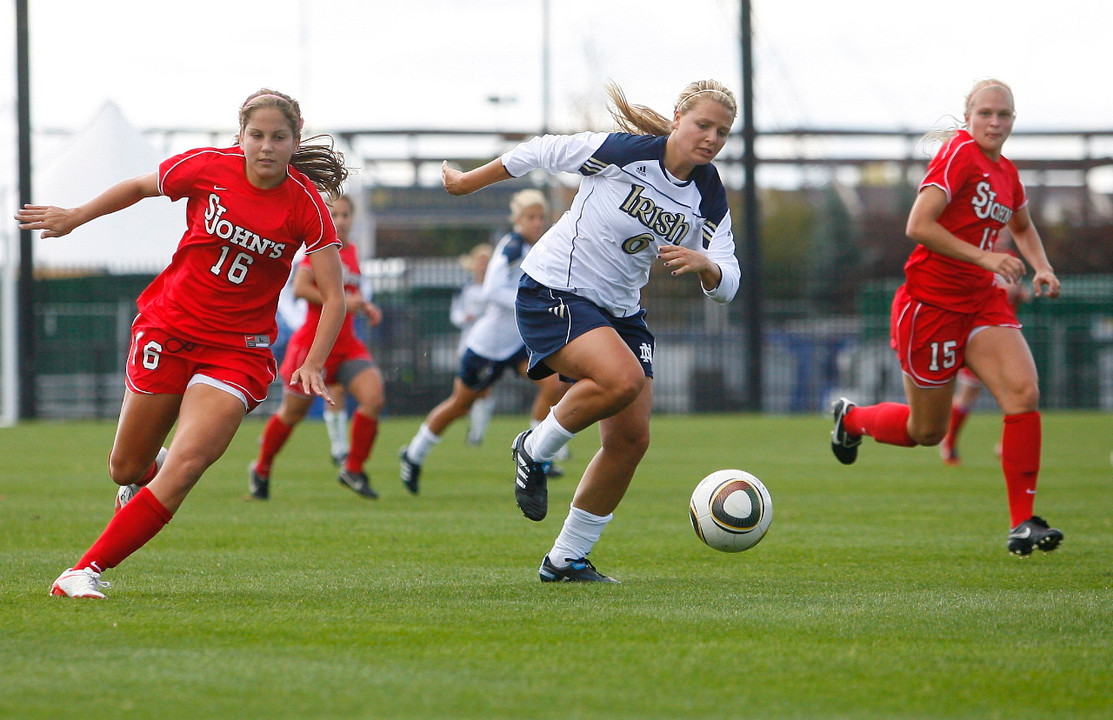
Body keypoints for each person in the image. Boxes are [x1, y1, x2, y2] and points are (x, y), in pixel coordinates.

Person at [18, 89, 348, 598]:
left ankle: (81, 571)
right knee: (126, 467)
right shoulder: (206, 167)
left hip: (237, 350)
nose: (266, 146)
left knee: (188, 465)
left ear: (294, 139)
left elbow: (334, 297)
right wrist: (74, 217)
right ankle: (142, 476)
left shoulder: (306, 204)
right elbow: (136, 186)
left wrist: (315, 363)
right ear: (240, 136)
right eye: (256, 135)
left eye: (278, 137)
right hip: (169, 328)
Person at [440, 79, 741, 582]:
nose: (711, 137)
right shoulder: (622, 153)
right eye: (702, 124)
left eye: (722, 132)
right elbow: (541, 151)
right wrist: (467, 182)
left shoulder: (709, 194)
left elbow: (729, 279)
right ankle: (533, 448)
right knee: (620, 381)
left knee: (630, 439)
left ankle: (566, 559)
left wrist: (706, 265)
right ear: (677, 118)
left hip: (619, 312)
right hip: (554, 289)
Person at [829, 79, 1064, 557]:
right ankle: (851, 420)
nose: (994, 123)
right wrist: (986, 259)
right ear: (968, 116)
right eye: (985, 114)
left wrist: (1041, 265)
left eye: (1003, 115)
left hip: (980, 303)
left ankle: (1024, 522)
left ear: (1013, 121)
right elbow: (918, 225)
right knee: (925, 432)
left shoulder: (1007, 173)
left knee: (1023, 392)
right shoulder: (959, 154)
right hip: (930, 306)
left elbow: (1021, 223)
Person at [398, 190, 568, 494]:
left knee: (553, 385)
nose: (538, 222)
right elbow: (491, 290)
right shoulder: (512, 247)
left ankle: (536, 452)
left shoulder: (539, 247)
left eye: (541, 216)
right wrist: (529, 304)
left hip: (517, 344)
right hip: (487, 347)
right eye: (530, 216)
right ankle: (413, 455)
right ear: (517, 220)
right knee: (461, 405)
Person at [250, 193, 386, 500]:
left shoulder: (351, 251)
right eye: (334, 215)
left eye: (346, 215)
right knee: (291, 414)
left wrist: (363, 306)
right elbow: (300, 288)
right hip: (312, 345)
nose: (340, 221)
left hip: (347, 344)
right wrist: (345, 302)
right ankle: (262, 468)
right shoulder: (318, 249)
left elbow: (348, 294)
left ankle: (353, 469)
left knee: (374, 397)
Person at [939, 235, 1030, 466]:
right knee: (969, 393)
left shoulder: (1010, 258)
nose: (1000, 236)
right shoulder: (975, 257)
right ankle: (949, 441)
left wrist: (1020, 293)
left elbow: (1014, 291)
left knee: (1015, 391)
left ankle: (1006, 446)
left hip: (1005, 335)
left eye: (1005, 232)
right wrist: (1004, 289)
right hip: (980, 338)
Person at [450, 242, 496, 446]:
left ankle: (477, 433)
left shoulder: (494, 289)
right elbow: (455, 315)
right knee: (467, 390)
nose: (483, 266)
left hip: (490, 344)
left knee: (486, 389)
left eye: (487, 261)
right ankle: (472, 427)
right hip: (469, 345)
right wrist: (464, 317)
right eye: (480, 261)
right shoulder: (466, 290)